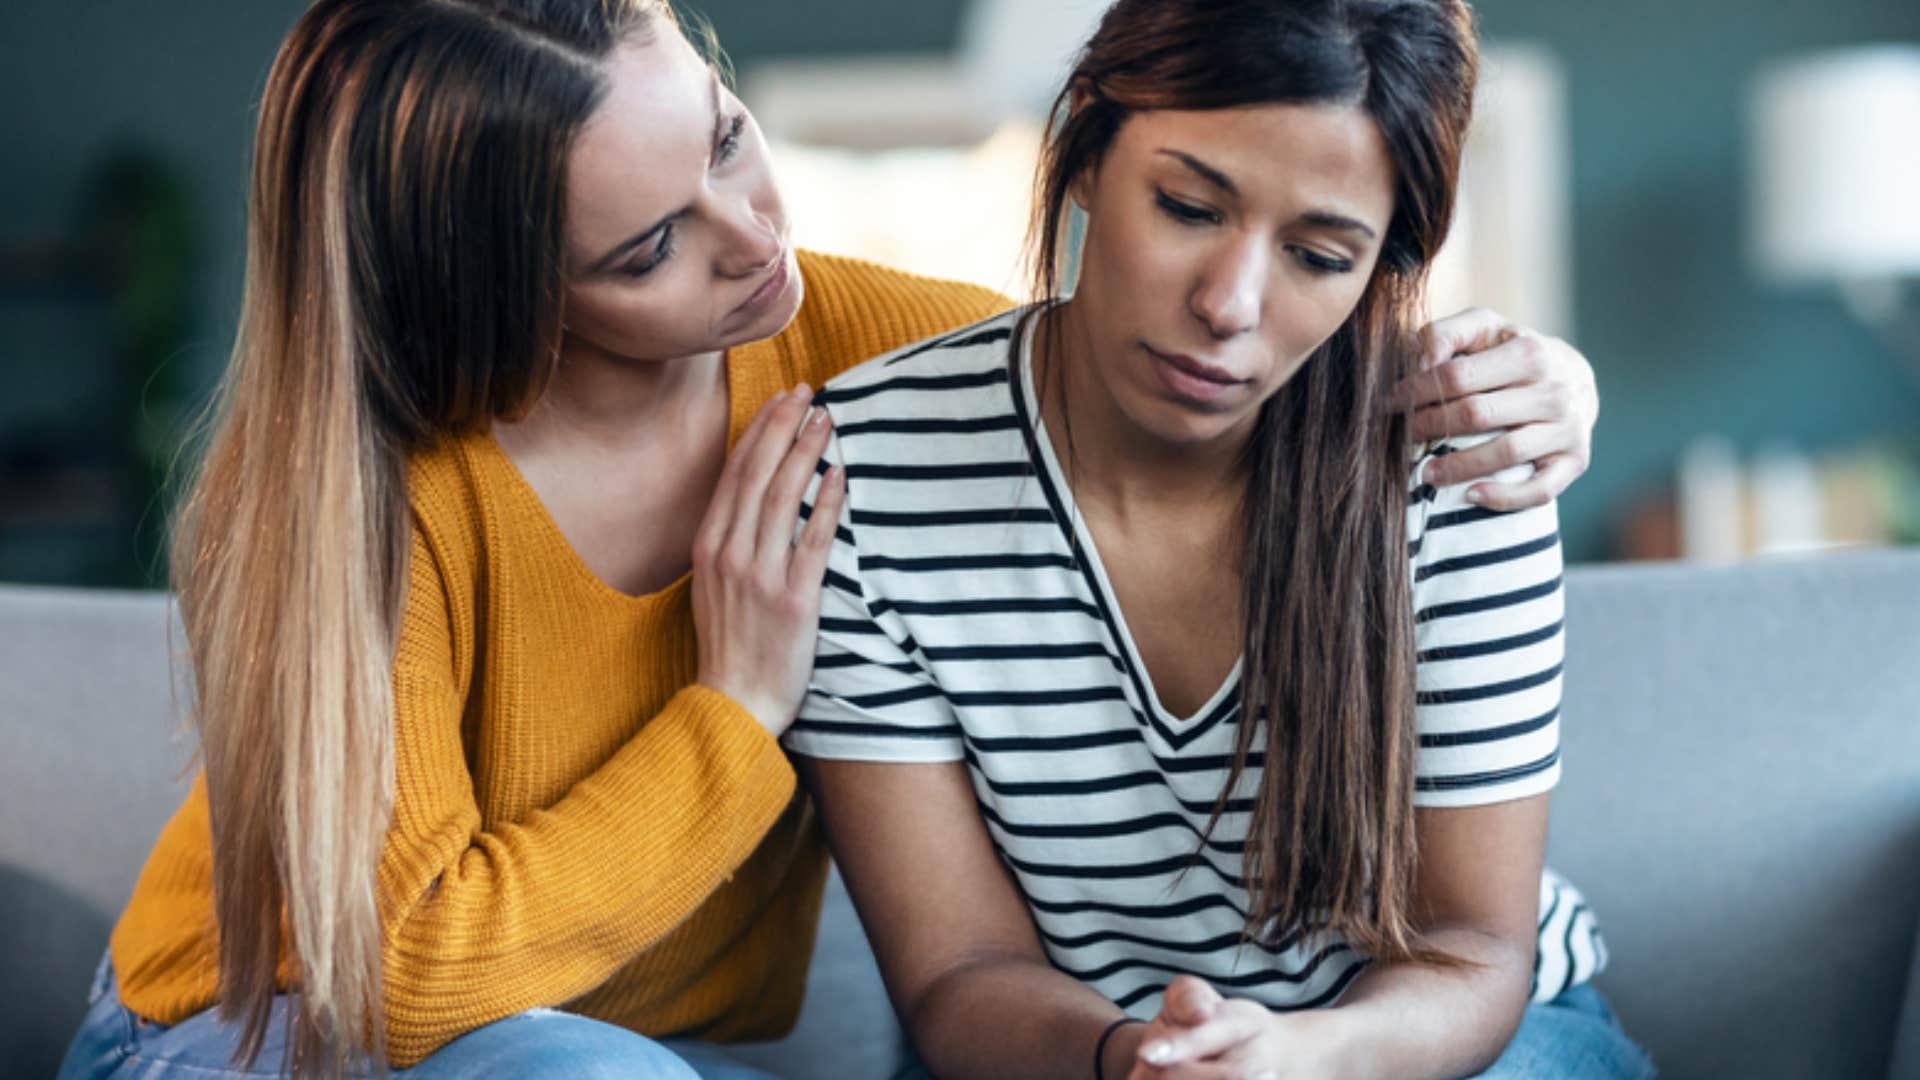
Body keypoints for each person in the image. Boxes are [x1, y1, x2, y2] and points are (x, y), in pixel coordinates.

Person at [58, 0, 1603, 1076]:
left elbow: (1138, 374)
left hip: (644, 1050)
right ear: (501, 293)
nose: (756, 243)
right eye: (652, 245)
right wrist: (731, 714)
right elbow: (408, 985)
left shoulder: (838, 345)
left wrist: (1548, 388)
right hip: (270, 1041)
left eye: (726, 141)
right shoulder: (376, 480)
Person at [787, 1, 1652, 1078]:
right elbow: (958, 970)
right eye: (1189, 207)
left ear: (1384, 262)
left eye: (1319, 255)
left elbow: (1471, 949)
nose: (1230, 305)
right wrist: (1142, 1062)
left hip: (1444, 1049)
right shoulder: (866, 473)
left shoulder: (1460, 458)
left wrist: (1295, 1061)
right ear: (1088, 150)